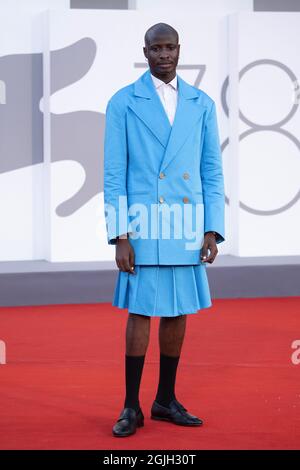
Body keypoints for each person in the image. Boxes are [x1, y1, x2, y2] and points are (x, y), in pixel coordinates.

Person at [103, 22, 225, 437]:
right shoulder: (123, 102)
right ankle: (130, 406)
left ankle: (165, 400)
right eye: (156, 48)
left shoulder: (202, 103)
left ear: (179, 49)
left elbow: (211, 169)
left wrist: (212, 228)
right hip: (141, 222)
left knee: (178, 310)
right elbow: (114, 173)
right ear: (145, 51)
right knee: (140, 310)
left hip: (187, 221)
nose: (163, 55)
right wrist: (120, 234)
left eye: (170, 47)